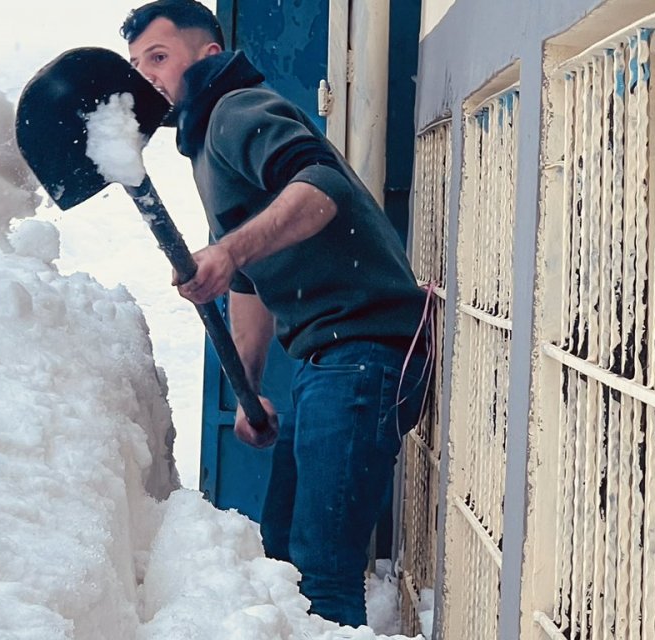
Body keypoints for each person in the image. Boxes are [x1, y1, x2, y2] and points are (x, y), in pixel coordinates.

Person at [122, 0, 431, 627]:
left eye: (159, 56)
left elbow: (321, 190)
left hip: (364, 352)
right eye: (136, 64)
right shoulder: (204, 144)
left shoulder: (236, 109)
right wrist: (250, 387)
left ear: (207, 55)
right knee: (284, 557)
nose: (146, 74)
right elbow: (250, 282)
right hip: (331, 360)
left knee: (322, 570)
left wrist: (229, 249)